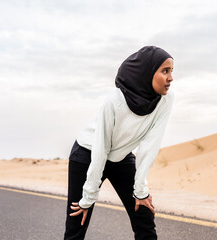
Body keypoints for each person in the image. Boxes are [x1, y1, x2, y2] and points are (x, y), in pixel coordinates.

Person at [64, 46, 174, 240]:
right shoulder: (115, 100)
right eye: (165, 71)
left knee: (144, 214)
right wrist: (89, 196)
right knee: (78, 221)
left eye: (171, 71)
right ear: (146, 72)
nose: (170, 78)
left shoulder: (166, 100)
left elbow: (149, 146)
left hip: (120, 157)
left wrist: (140, 191)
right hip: (87, 153)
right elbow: (101, 147)